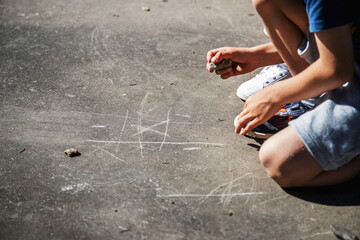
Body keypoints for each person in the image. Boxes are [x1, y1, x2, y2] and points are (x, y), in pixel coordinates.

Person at [206, 0, 360, 187]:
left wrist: (275, 95)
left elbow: (338, 68)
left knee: (279, 161)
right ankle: (312, 95)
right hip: (349, 56)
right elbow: (336, 38)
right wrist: (258, 56)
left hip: (345, 70)